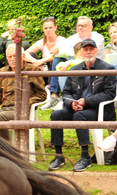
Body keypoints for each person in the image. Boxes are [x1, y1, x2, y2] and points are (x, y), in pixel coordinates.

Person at [48, 39, 116, 172]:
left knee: (80, 116)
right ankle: (58, 155)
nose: (89, 52)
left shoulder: (107, 69)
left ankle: (85, 156)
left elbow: (109, 94)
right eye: (85, 49)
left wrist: (86, 101)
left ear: (96, 51)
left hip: (99, 110)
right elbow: (66, 93)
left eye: (91, 49)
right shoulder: (74, 70)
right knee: (56, 115)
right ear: (81, 52)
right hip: (77, 107)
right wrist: (72, 103)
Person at [0, 45, 46, 141]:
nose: (13, 59)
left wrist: (25, 102)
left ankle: (8, 149)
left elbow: (42, 94)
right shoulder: (2, 72)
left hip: (23, 112)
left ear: (23, 56)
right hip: (4, 110)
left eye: (15, 56)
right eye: (10, 57)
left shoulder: (32, 69)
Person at [24, 17, 69, 108]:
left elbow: (59, 55)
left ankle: (54, 95)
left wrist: (42, 60)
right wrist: (35, 61)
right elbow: (25, 53)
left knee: (57, 59)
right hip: (44, 70)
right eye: (46, 28)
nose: (48, 30)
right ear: (43, 29)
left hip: (58, 68)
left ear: (55, 28)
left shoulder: (62, 41)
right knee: (31, 54)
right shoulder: (42, 42)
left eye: (50, 28)